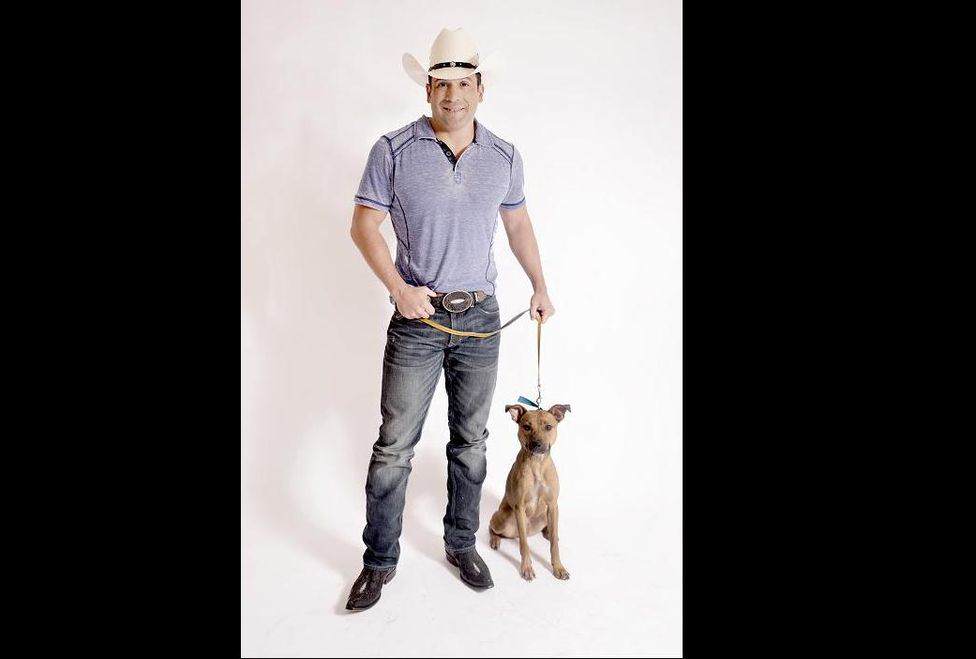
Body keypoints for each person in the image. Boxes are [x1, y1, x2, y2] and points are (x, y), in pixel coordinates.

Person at [346, 27, 555, 611]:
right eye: (442, 84)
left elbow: (517, 224)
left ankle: (462, 544)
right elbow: (363, 226)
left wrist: (540, 285)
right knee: (395, 446)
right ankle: (378, 561)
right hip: (418, 319)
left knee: (471, 442)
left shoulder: (504, 156)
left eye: (464, 84)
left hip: (482, 319)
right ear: (427, 90)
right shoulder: (392, 150)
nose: (453, 95)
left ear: (481, 90)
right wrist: (399, 289)